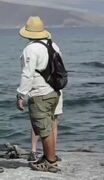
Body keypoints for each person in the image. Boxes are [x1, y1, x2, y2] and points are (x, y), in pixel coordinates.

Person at [16, 16, 61, 173]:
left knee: (43, 129)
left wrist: (20, 95)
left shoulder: (30, 49)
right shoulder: (52, 44)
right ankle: (48, 157)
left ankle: (50, 161)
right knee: (48, 125)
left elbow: (27, 75)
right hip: (54, 92)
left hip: (40, 93)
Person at [27, 91, 63, 162]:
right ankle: (51, 153)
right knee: (53, 120)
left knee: (38, 122)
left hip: (38, 92)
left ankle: (33, 151)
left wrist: (21, 95)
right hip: (53, 90)